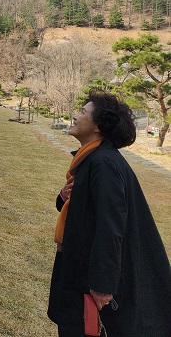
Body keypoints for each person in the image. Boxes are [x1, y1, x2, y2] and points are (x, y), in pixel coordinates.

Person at [47, 89, 171, 336]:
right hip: (78, 262)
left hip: (91, 274)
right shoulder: (91, 159)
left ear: (98, 127)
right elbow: (78, 210)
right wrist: (64, 195)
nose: (74, 116)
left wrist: (103, 284)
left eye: (82, 112)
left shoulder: (103, 163)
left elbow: (111, 226)